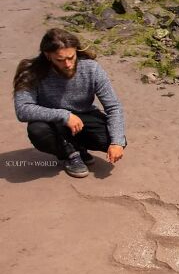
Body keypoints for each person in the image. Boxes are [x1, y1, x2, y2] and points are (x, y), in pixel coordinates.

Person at [13, 28, 126, 178]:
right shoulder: (31, 72)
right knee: (37, 131)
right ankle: (70, 154)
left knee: (116, 139)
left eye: (71, 57)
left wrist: (117, 142)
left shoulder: (91, 68)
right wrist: (64, 115)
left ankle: (78, 146)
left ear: (76, 51)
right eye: (60, 60)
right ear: (48, 56)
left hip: (84, 116)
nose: (67, 64)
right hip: (50, 122)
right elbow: (22, 109)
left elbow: (113, 107)